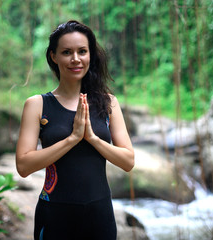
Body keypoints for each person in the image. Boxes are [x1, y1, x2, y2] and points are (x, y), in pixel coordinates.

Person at [15, 20, 135, 240]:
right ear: (54, 56)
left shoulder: (108, 103)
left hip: (100, 215)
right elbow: (23, 166)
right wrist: (72, 139)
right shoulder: (37, 105)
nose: (76, 59)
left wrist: (92, 138)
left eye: (82, 51)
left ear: (91, 55)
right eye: (67, 52)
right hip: (55, 215)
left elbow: (128, 161)